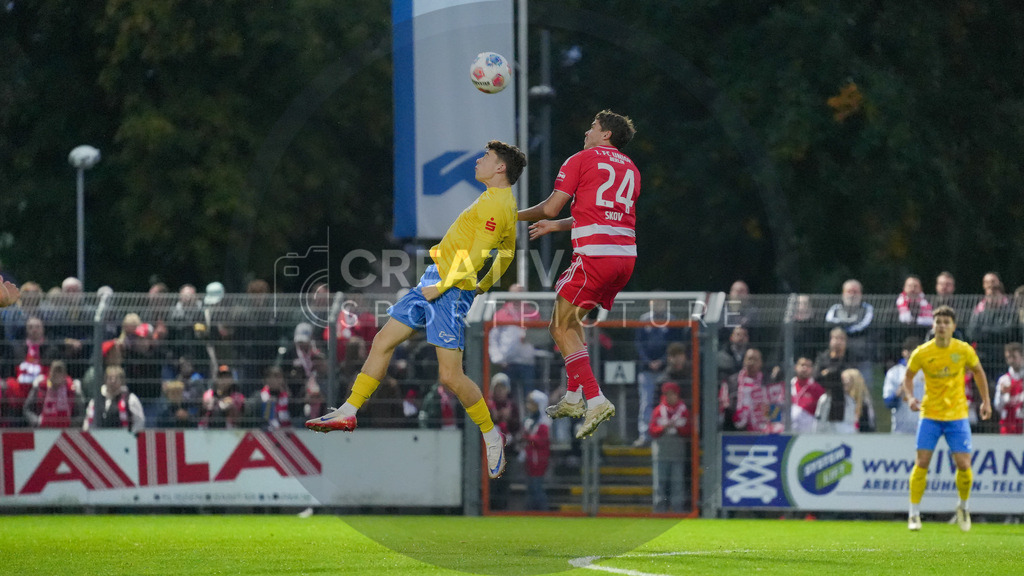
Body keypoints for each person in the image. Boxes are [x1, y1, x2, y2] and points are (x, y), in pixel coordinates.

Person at [307, 140, 526, 480]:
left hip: (449, 290)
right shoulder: (498, 201)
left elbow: (480, 255)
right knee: (383, 341)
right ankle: (348, 411)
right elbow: (508, 253)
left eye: (486, 157)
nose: (478, 161)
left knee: (450, 377)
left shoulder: (498, 205)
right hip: (435, 280)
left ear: (501, 168)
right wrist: (484, 284)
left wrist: (450, 285)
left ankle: (491, 434)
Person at [517, 110, 639, 440]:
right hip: (624, 258)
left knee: (558, 325)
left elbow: (550, 206)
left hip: (595, 255)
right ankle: (573, 397)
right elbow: (601, 213)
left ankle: (595, 399)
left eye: (593, 127)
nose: (587, 132)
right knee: (572, 320)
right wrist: (555, 227)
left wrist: (510, 215)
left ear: (606, 134)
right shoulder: (631, 168)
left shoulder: (581, 159)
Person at [901, 305, 992, 532]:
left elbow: (979, 372)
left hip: (957, 415)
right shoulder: (922, 352)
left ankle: (963, 507)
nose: (941, 326)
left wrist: (986, 401)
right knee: (922, 462)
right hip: (930, 414)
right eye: (938, 322)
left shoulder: (963, 350)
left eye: (946, 322)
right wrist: (910, 397)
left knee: (964, 465)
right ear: (933, 326)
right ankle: (914, 513)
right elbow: (908, 376)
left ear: (953, 326)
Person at [633, 298, 683, 447]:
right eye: (655, 302)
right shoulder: (643, 319)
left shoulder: (672, 320)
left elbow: (674, 344)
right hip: (646, 370)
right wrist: (648, 362)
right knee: (646, 402)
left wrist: (663, 360)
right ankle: (645, 435)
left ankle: (668, 433)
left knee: (669, 401)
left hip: (667, 370)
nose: (658, 305)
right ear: (650, 303)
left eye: (661, 302)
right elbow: (638, 344)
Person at [649, 381, 691, 513]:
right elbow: (652, 430)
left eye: (672, 394)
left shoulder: (683, 411)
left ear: (677, 395)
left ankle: (678, 509)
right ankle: (659, 509)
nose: (670, 397)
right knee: (659, 482)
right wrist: (663, 428)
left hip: (677, 452)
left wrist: (677, 428)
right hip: (661, 452)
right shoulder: (658, 410)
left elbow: (688, 430)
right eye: (667, 394)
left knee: (677, 483)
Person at [824, 279, 875, 386]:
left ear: (861, 294)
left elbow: (863, 325)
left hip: (860, 359)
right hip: (838, 359)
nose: (852, 295)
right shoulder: (835, 309)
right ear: (843, 293)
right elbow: (830, 322)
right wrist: (850, 324)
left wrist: (842, 328)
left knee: (863, 390)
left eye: (855, 292)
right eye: (849, 291)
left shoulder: (868, 309)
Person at [83, 366, 146, 432]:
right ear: (105, 380)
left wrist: (131, 435)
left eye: (116, 379)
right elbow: (87, 422)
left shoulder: (130, 399)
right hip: (99, 436)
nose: (113, 381)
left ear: (122, 381)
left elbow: (139, 421)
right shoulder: (96, 400)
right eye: (110, 378)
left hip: (123, 436)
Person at [719, 348, 769, 432]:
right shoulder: (731, 381)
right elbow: (724, 405)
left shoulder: (767, 382)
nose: (752, 362)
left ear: (761, 363)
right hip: (735, 429)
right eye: (749, 359)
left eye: (755, 360)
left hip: (762, 430)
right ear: (744, 361)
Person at [23, 360, 84, 428]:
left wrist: (73, 423)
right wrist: (37, 421)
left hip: (66, 428)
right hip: (43, 428)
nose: (57, 377)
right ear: (50, 374)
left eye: (60, 373)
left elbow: (81, 412)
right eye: (54, 374)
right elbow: (27, 408)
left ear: (65, 375)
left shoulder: (72, 388)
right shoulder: (40, 386)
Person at [883, 337, 925, 434]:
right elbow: (888, 403)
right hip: (900, 430)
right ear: (904, 352)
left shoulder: (928, 372)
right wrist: (900, 391)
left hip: (924, 428)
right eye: (910, 351)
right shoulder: (894, 372)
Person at [521, 389, 552, 511]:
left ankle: (543, 511)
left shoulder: (544, 423)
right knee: (531, 488)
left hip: (538, 461)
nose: (528, 405)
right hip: (529, 460)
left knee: (537, 487)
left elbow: (541, 441)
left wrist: (528, 438)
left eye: (532, 403)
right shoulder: (529, 421)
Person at [815, 368, 871, 434]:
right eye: (842, 380)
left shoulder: (856, 402)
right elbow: (820, 423)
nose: (844, 382)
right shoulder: (826, 399)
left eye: (846, 379)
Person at [246, 366, 291, 430]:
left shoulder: (288, 397)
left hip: (285, 431)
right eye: (274, 376)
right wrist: (268, 404)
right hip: (265, 431)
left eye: (279, 377)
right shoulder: (259, 396)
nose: (277, 380)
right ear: (266, 380)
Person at [994, 342, 1023, 434]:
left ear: (1022, 357)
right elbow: (997, 406)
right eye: (1008, 357)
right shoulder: (1003, 380)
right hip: (1007, 427)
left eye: (1014, 357)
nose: (1011, 360)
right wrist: (1002, 393)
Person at [789, 356, 824, 433]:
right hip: (788, 428)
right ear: (796, 367)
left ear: (812, 369)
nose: (804, 368)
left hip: (807, 430)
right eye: (802, 365)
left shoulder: (817, 388)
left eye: (808, 366)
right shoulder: (788, 385)